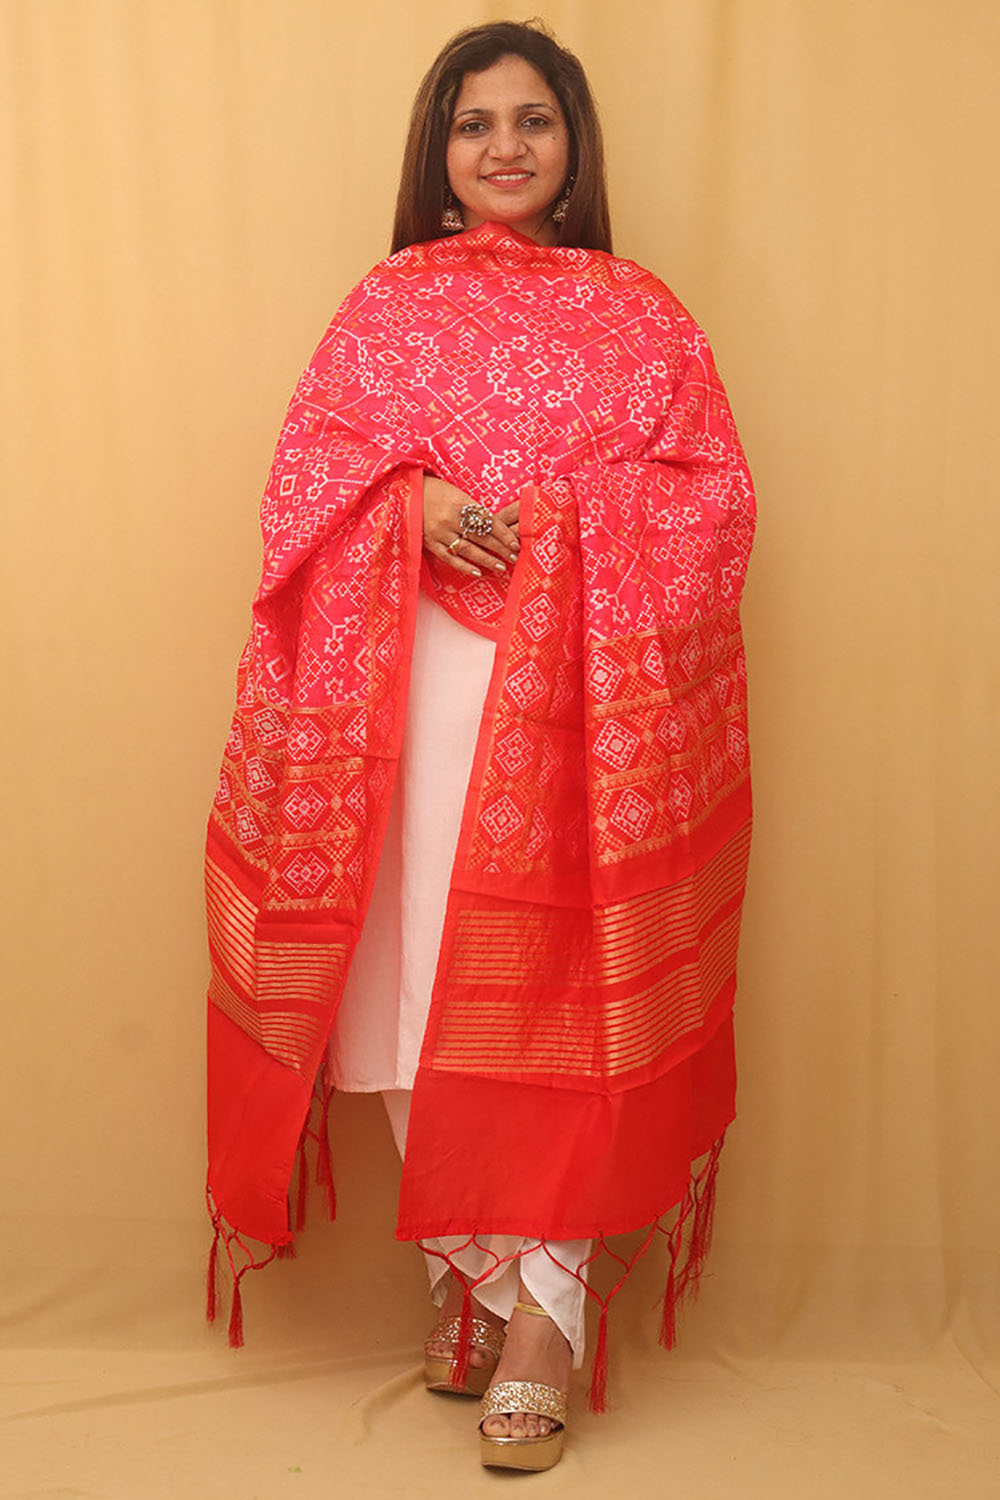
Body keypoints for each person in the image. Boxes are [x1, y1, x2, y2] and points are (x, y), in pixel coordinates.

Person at [204, 20, 755, 1475]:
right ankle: (480, 1273)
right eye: (474, 123)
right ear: (436, 150)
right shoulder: (385, 308)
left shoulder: (641, 314)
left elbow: (713, 508)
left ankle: (538, 1331)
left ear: (574, 144)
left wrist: (569, 533)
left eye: (533, 120)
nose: (505, 147)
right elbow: (303, 485)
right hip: (404, 695)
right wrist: (414, 506)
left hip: (576, 710)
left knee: (551, 1000)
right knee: (405, 991)